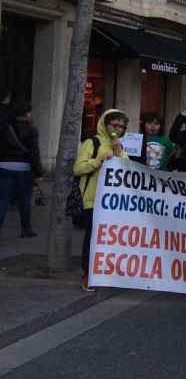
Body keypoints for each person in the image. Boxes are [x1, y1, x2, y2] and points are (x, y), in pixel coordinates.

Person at [73, 109, 130, 291]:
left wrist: (118, 152)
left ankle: (104, 273)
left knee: (108, 239)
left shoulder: (119, 146)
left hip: (113, 202)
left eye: (122, 126)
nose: (118, 129)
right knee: (91, 239)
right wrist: (98, 160)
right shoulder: (92, 142)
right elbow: (78, 169)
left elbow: (127, 169)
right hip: (92, 199)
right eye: (115, 125)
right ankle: (87, 275)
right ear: (105, 124)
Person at [0, 103, 44, 238]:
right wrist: (38, 172)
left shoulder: (4, 127)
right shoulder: (32, 130)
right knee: (24, 201)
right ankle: (26, 229)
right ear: (27, 113)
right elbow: (34, 154)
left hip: (4, 167)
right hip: (24, 169)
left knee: (3, 201)